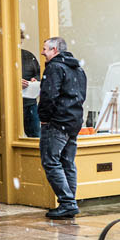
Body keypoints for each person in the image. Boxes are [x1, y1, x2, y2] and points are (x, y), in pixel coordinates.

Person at [38, 36, 87, 219]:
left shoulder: (54, 67)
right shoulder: (77, 68)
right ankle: (69, 202)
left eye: (45, 49)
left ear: (55, 50)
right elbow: (81, 95)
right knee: (67, 162)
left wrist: (44, 118)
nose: (43, 52)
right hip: (73, 121)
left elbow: (49, 96)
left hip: (57, 122)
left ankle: (67, 202)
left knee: (51, 161)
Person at [20, 46, 42, 139]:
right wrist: (14, 82)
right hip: (11, 104)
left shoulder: (28, 55)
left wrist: (35, 79)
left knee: (35, 135)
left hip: (30, 101)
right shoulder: (4, 56)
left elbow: (39, 73)